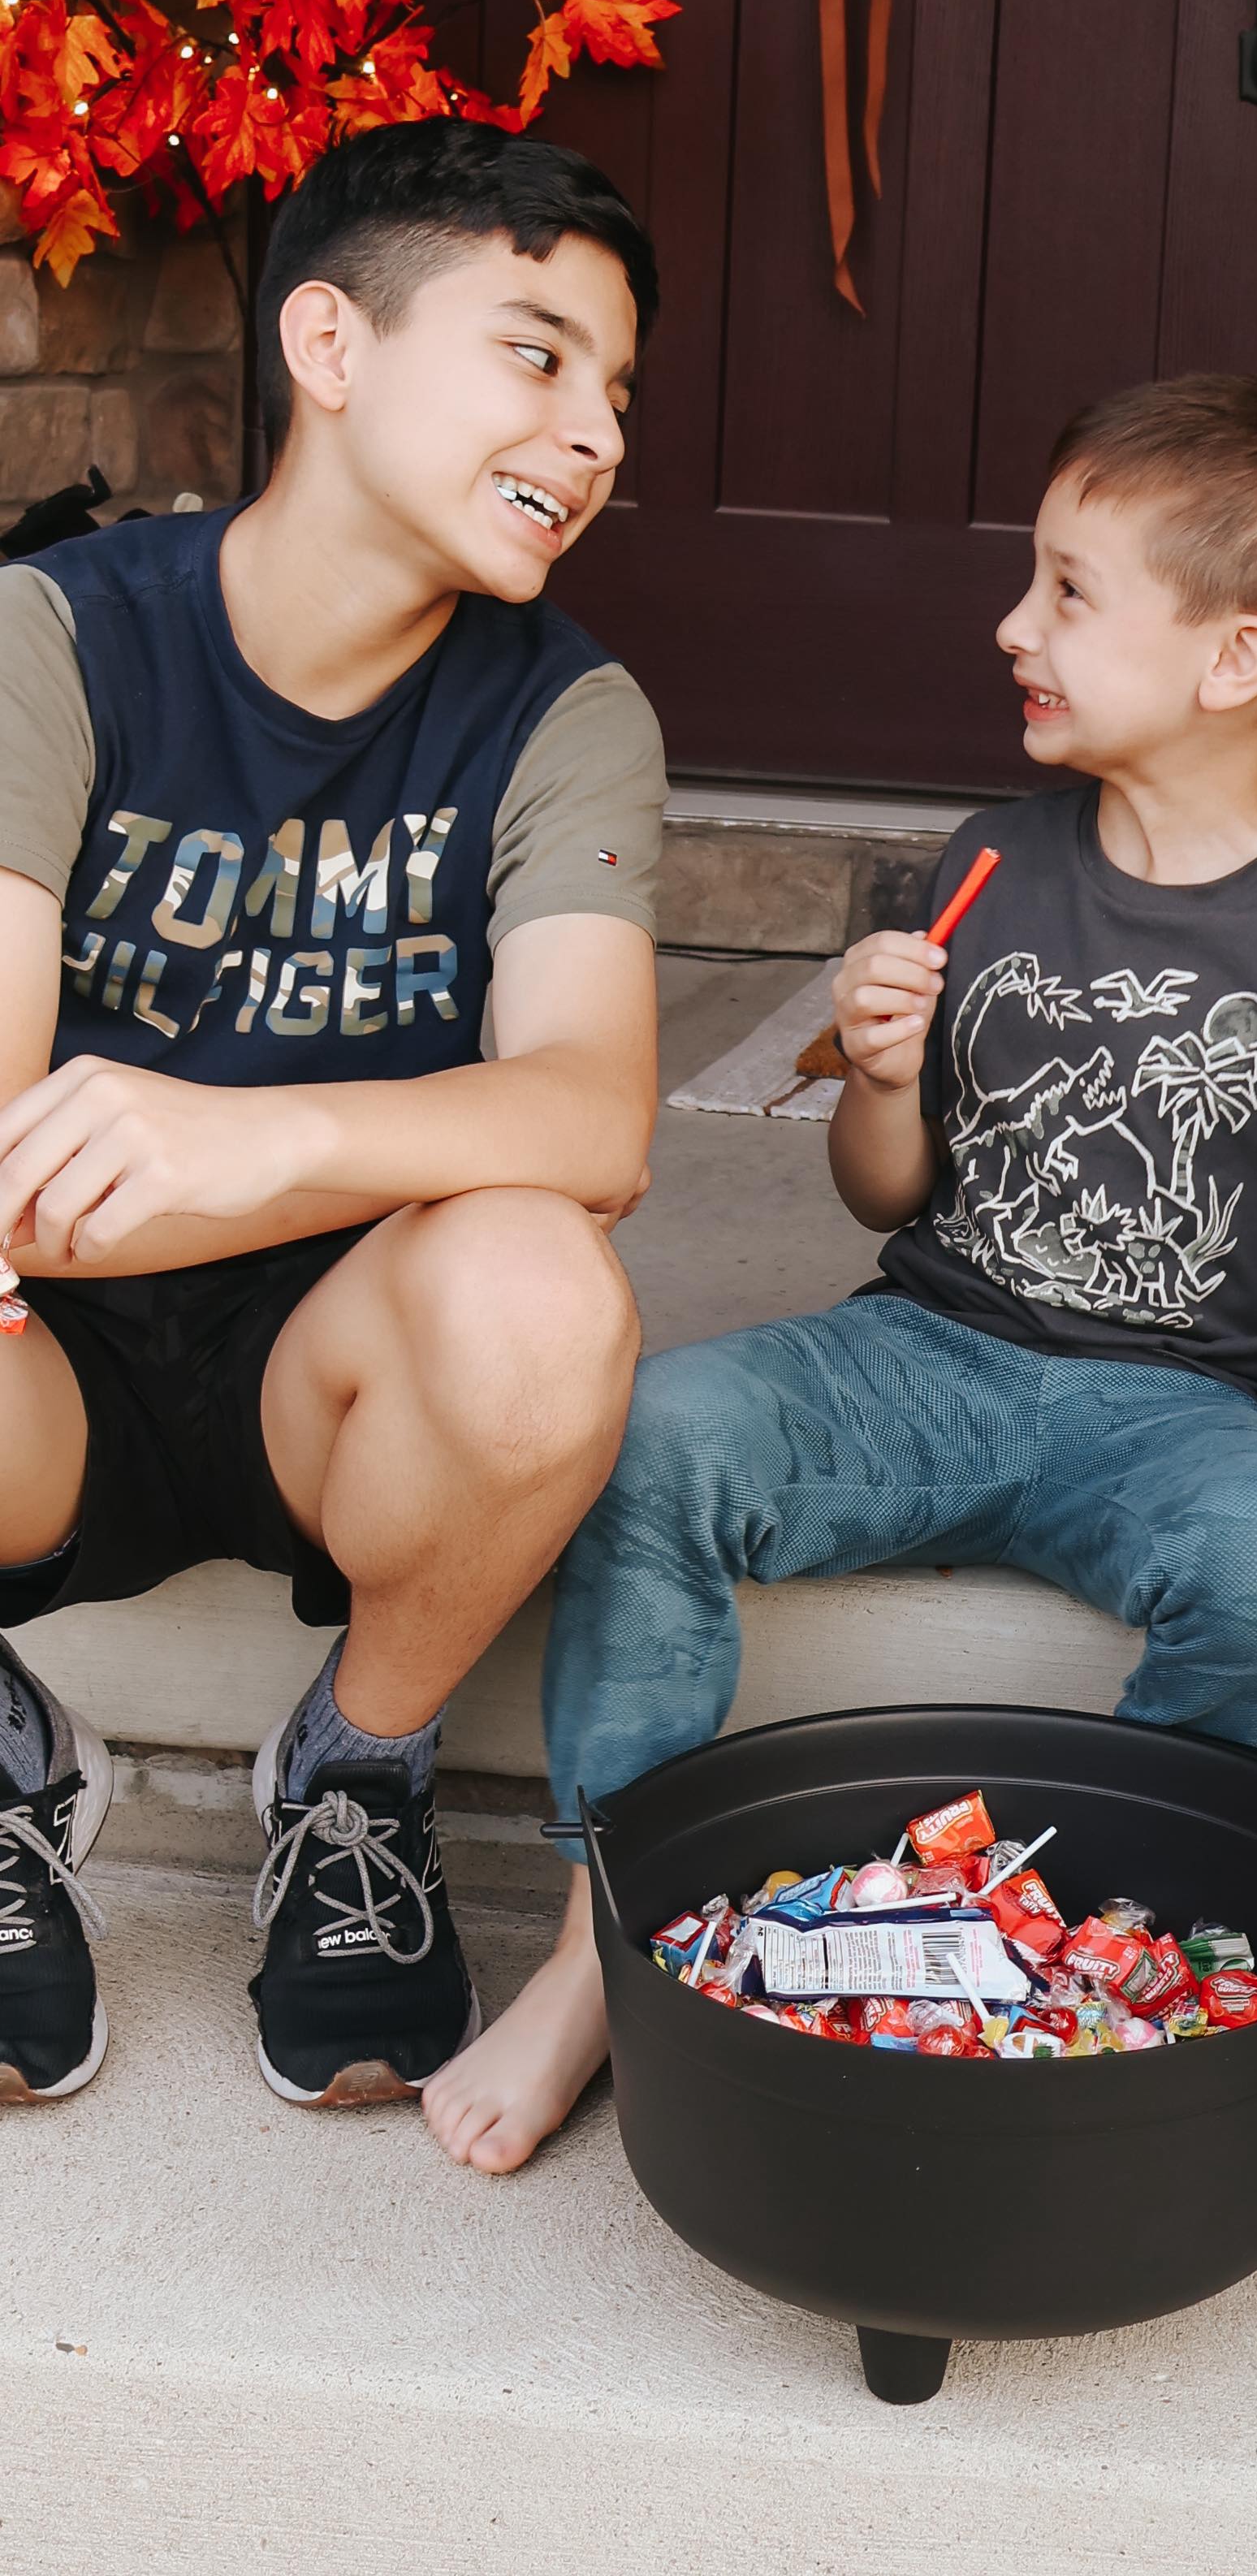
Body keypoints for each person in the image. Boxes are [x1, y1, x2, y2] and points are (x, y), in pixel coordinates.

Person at [423, 369, 1257, 2172]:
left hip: (1184, 1408)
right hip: (929, 1353)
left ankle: (1092, 1949)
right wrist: (880, 1067)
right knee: (651, 1437)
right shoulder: (984, 867)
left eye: (1066, 590)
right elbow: (879, 1190)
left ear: (1233, 660)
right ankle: (608, 1938)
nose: (1010, 626)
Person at [0, 120, 664, 2112]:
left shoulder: (565, 712)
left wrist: (267, 1142)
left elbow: (597, 1114)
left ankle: (352, 1775)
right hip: (39, 1356)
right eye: (538, 355)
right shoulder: (58, 636)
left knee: (543, 1284)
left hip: (340, 1373)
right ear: (329, 342)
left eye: (619, 390)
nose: (598, 433)